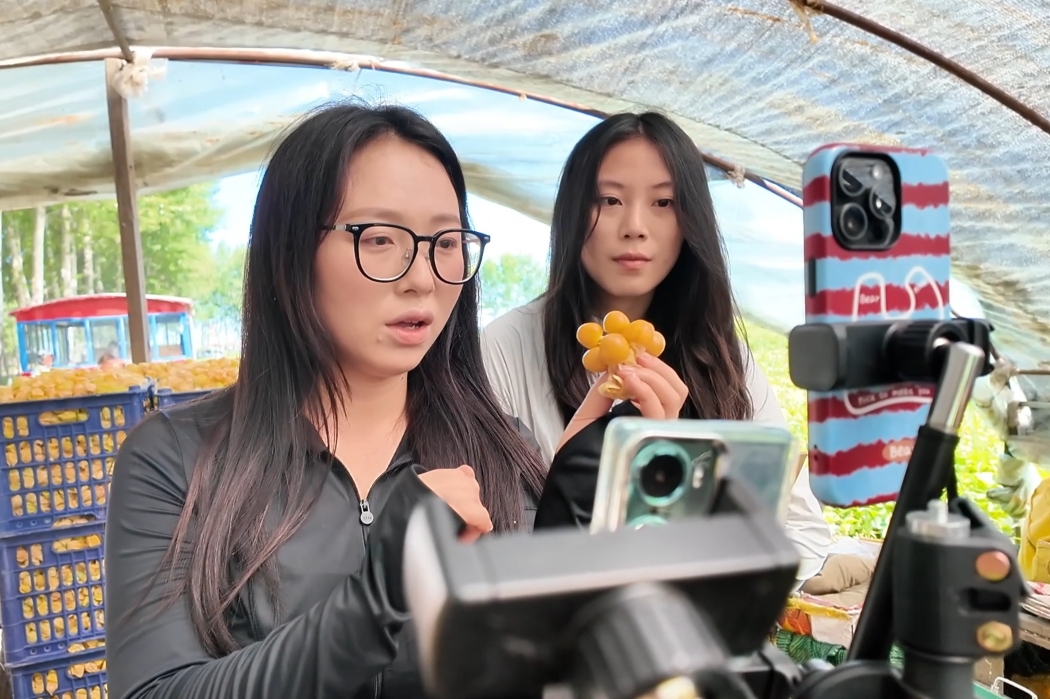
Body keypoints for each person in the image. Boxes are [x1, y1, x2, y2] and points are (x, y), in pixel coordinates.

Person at [105, 102, 548, 699]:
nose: (423, 278)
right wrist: (373, 600)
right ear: (290, 251)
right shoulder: (175, 459)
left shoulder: (502, 451)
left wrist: (583, 511)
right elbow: (157, 690)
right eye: (381, 238)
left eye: (446, 241)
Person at [482, 112, 831, 585]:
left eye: (664, 202)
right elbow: (489, 546)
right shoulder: (504, 348)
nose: (635, 227)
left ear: (691, 221)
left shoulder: (723, 359)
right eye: (609, 200)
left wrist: (683, 512)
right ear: (571, 212)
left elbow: (803, 532)